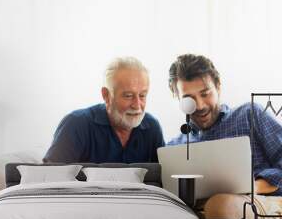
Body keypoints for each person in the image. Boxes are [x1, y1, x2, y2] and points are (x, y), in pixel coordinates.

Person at [167, 53, 282, 198]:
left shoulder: (250, 115)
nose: (200, 106)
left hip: (256, 203)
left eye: (205, 94)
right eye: (189, 99)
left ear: (218, 87)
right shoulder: (174, 147)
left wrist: (251, 187)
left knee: (222, 204)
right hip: (198, 215)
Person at [44, 57, 165, 163]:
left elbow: (165, 180)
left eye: (142, 95)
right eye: (128, 96)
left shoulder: (152, 128)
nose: (137, 105)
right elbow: (49, 178)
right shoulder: (76, 124)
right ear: (106, 95)